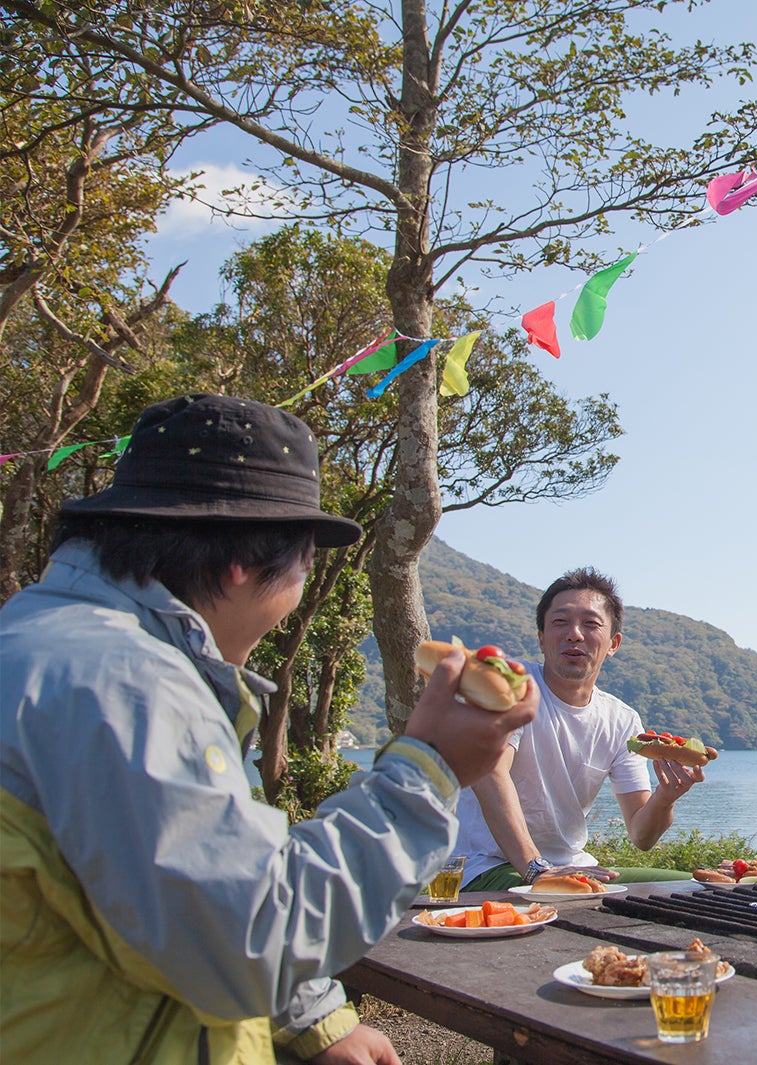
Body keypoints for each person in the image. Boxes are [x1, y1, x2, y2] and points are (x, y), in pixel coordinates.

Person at [0, 394, 538, 1065]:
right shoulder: (127, 682)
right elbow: (246, 937)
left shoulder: (48, 640)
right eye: (305, 560)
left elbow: (179, 887)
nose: (299, 587)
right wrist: (427, 769)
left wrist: (311, 1020)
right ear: (240, 562)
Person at [456, 567, 704, 890]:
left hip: (571, 868)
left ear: (613, 643)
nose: (574, 633)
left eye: (590, 624)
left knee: (693, 886)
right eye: (560, 622)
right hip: (487, 869)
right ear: (541, 638)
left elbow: (641, 835)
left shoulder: (622, 720)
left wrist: (665, 798)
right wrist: (536, 869)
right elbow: (490, 773)